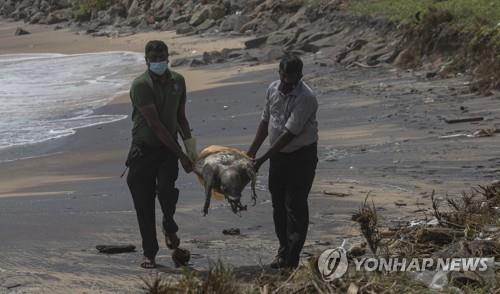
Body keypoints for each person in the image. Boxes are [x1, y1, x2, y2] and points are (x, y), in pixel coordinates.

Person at [126, 40, 197, 269]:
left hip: (168, 151)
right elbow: (156, 126)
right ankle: (150, 253)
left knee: (167, 192)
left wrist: (191, 150)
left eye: (162, 58)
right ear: (146, 61)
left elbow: (181, 117)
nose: (158, 62)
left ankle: (169, 223)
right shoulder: (141, 85)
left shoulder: (178, 81)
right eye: (154, 59)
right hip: (144, 150)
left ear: (168, 57)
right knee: (143, 203)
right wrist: (182, 155)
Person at [247, 55, 318, 269]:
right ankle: (283, 250)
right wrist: (251, 152)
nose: (287, 82)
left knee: (294, 205)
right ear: (279, 73)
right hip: (278, 157)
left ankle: (292, 258)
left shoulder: (306, 97)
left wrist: (262, 159)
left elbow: (289, 133)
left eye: (292, 78)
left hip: (301, 156)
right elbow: (265, 120)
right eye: (284, 76)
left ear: (300, 76)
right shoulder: (272, 89)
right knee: (278, 205)